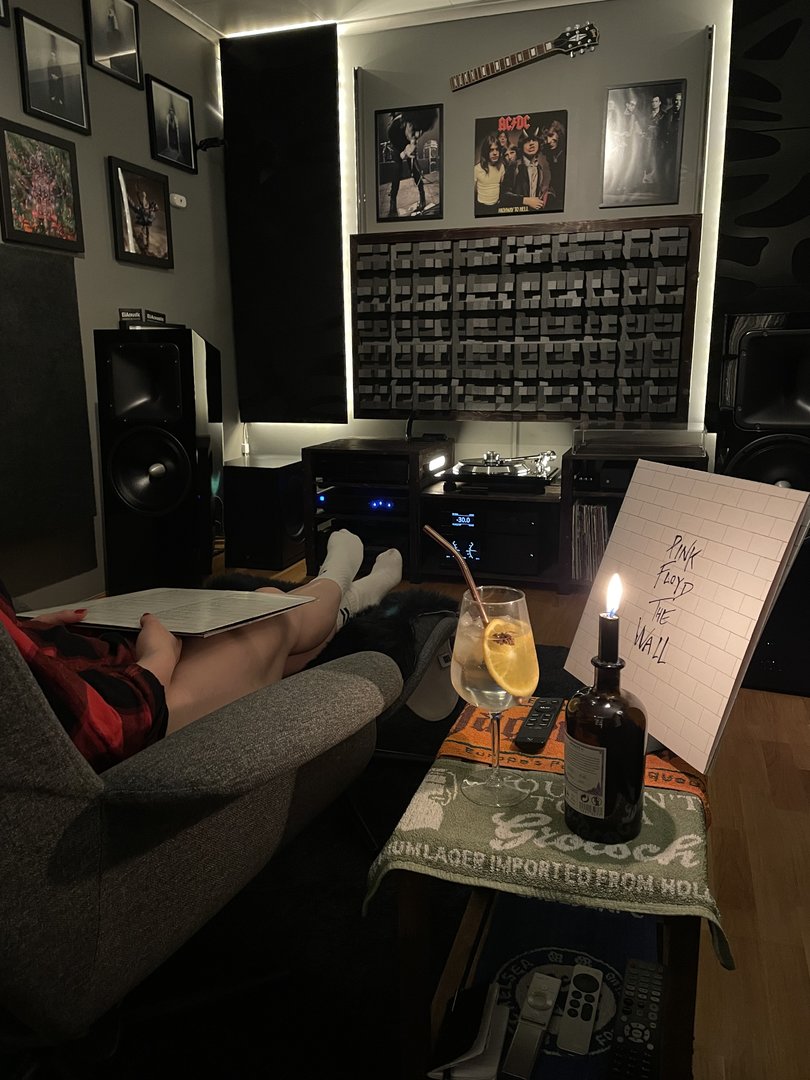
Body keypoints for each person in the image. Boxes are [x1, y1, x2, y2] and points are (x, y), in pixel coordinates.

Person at [0, 531, 403, 772]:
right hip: (130, 715)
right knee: (270, 614)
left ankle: (348, 602)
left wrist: (27, 629)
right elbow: (106, 730)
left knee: (267, 631)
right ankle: (339, 577)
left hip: (89, 675)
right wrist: (155, 663)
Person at [499, 124, 551, 212]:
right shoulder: (514, 166)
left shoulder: (539, 168)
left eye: (534, 140)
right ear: (522, 146)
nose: (531, 143)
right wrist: (525, 200)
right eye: (527, 141)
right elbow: (504, 195)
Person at [385, 111, 426, 218]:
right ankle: (392, 205)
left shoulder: (416, 124)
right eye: (414, 131)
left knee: (414, 168)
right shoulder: (392, 130)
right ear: (404, 124)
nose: (417, 135)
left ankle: (423, 198)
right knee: (397, 170)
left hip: (407, 141)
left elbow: (417, 134)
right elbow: (400, 154)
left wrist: (413, 143)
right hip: (397, 145)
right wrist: (404, 152)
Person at [473, 132, 505, 216]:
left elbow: (502, 186)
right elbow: (471, 191)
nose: (495, 153)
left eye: (497, 149)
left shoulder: (501, 167)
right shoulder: (477, 168)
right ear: (486, 151)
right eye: (491, 150)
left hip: (496, 206)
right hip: (481, 208)